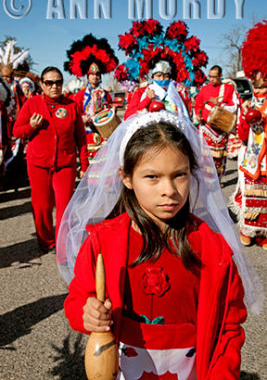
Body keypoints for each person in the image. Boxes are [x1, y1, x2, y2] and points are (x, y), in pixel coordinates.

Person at [57, 110, 263, 379]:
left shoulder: (212, 248)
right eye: (152, 177)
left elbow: (229, 323)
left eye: (180, 174)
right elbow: (78, 299)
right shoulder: (102, 241)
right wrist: (87, 313)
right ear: (127, 177)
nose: (169, 190)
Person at [13, 66, 88, 253]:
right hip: (38, 164)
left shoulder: (71, 106)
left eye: (58, 82)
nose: (54, 86)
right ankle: (45, 241)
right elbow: (16, 131)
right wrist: (31, 126)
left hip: (65, 164)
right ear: (42, 84)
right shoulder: (32, 104)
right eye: (49, 82)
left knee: (64, 206)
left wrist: (84, 164)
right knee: (42, 206)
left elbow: (81, 138)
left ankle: (62, 244)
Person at [231, 21, 267, 249]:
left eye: (261, 75)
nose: (257, 79)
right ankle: (248, 230)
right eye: (255, 74)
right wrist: (246, 118)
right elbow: (242, 133)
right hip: (252, 155)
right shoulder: (248, 99)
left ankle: (263, 233)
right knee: (251, 191)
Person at [64, 34, 118, 162]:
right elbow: (74, 112)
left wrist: (113, 111)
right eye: (92, 74)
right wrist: (82, 119)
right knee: (89, 163)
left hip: (104, 132)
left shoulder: (105, 93)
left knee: (104, 162)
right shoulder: (80, 94)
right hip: (87, 132)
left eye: (97, 74)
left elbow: (109, 107)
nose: (95, 77)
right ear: (87, 76)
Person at [194, 65, 239, 185]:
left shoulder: (228, 89)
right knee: (205, 155)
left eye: (214, 77)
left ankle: (217, 180)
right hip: (206, 127)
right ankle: (205, 180)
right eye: (210, 76)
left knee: (219, 157)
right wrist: (198, 116)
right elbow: (198, 105)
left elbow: (235, 106)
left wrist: (220, 104)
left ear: (220, 76)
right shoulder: (204, 89)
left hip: (221, 128)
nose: (211, 79)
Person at [124, 60, 189, 120]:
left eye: (166, 76)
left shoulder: (176, 94)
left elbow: (184, 115)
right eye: (158, 76)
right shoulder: (141, 92)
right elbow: (128, 116)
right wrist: (147, 99)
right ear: (152, 77)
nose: (162, 79)